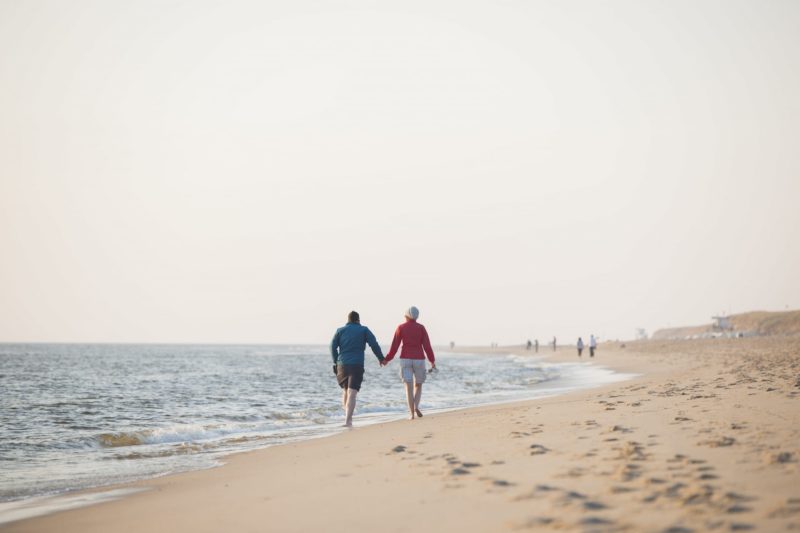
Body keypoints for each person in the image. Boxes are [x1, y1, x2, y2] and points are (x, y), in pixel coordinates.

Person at [330, 310, 385, 427]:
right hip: (356, 365)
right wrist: (381, 358)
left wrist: (335, 361)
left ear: (348, 320)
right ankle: (348, 421)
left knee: (345, 391)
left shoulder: (340, 331)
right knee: (352, 393)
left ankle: (346, 418)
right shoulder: (364, 329)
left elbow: (332, 347)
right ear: (358, 320)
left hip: (342, 366)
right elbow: (373, 344)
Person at [382, 306, 436, 420]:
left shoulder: (401, 327)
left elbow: (394, 346)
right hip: (419, 359)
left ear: (406, 316)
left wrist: (387, 359)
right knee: (419, 384)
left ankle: (411, 414)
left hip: (405, 359)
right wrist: (432, 361)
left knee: (408, 387)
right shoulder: (421, 328)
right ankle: (416, 406)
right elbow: (427, 346)